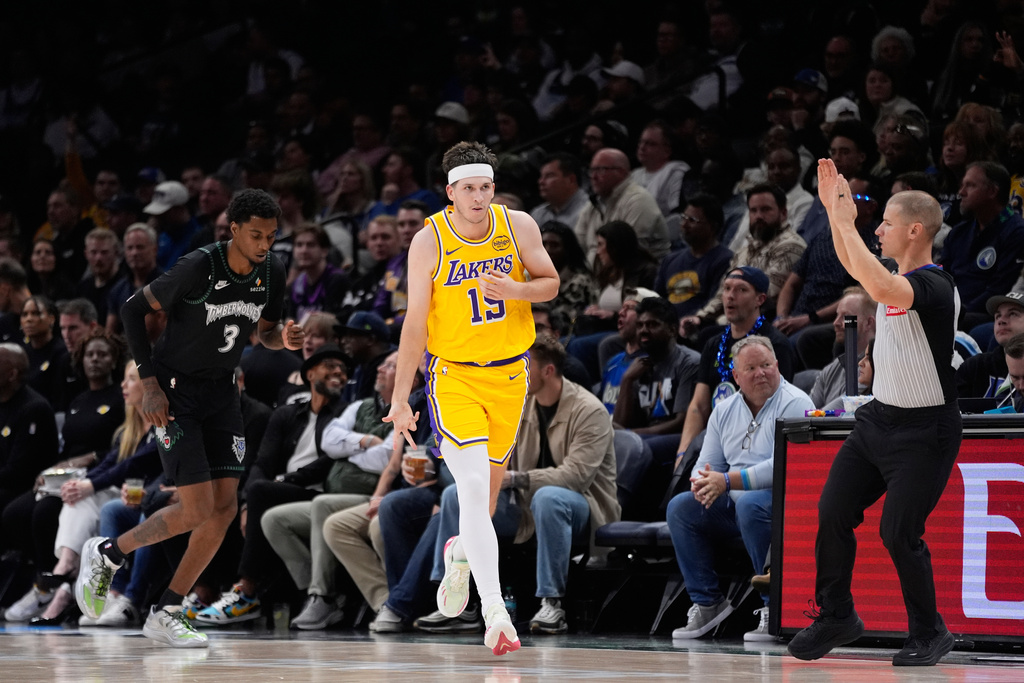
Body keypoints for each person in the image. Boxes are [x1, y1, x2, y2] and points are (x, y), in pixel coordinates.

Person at [74, 188, 304, 648]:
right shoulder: (201, 265)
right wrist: (150, 385)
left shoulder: (272, 270)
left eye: (271, 236)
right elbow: (132, 310)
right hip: (176, 392)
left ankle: (168, 610)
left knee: (221, 510)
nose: (264, 245)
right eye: (255, 235)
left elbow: (264, 333)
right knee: (197, 508)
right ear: (233, 229)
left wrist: (287, 339)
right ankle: (109, 552)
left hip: (223, 393)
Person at [383, 141, 559, 656]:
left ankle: (461, 553)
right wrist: (400, 395)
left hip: (509, 376)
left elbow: (549, 283)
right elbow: (415, 322)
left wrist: (516, 290)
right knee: (473, 484)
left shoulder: (519, 225)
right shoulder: (429, 240)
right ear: (451, 192)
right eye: (469, 189)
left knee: (483, 501)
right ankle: (496, 614)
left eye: (486, 187)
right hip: (454, 376)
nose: (479, 197)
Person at [788, 160, 961, 666]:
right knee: (833, 512)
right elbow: (854, 264)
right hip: (878, 422)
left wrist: (846, 222)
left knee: (898, 533)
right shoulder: (891, 276)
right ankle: (836, 613)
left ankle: (930, 633)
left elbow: (881, 289)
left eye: (885, 221)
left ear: (914, 229)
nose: (877, 228)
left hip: (925, 431)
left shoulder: (934, 286)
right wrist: (831, 213)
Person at [668, 336, 813, 641]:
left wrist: (727, 481)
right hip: (732, 500)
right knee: (681, 508)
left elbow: (783, 465)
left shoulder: (797, 402)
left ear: (777, 365)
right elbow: (704, 464)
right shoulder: (723, 410)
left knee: (750, 504)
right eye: (751, 368)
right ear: (736, 376)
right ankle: (708, 603)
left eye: (766, 365)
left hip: (782, 502)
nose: (761, 373)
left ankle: (775, 606)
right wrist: (703, 483)